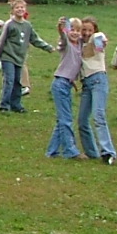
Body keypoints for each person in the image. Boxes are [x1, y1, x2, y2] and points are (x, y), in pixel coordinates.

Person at [0, 0, 54, 113]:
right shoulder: (9, 25)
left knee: (17, 82)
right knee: (9, 81)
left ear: (25, 10)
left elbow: (35, 39)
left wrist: (48, 47)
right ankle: (4, 105)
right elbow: (1, 41)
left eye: (22, 7)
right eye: (17, 7)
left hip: (19, 58)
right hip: (8, 57)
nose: (20, 9)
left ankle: (16, 104)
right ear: (12, 10)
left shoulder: (27, 25)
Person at [77, 15, 117, 164]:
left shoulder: (96, 37)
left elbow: (100, 42)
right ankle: (91, 152)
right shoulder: (78, 43)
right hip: (86, 83)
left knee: (98, 115)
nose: (87, 33)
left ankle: (108, 152)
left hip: (98, 80)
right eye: (84, 30)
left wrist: (100, 41)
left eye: (90, 30)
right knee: (82, 120)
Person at [46, 17, 86, 159]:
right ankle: (70, 151)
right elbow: (63, 37)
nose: (75, 33)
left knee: (62, 119)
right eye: (72, 30)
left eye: (78, 30)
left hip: (67, 84)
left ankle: (52, 151)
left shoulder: (79, 45)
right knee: (66, 119)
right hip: (60, 84)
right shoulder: (66, 44)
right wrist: (60, 28)